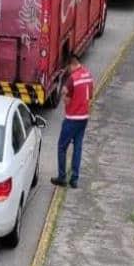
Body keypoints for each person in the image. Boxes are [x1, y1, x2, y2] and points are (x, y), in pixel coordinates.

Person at [51, 54, 93, 188]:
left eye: (68, 67)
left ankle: (62, 177)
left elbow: (67, 98)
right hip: (84, 118)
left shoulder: (72, 79)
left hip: (72, 119)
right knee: (78, 148)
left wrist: (64, 95)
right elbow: (90, 95)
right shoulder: (88, 75)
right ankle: (74, 179)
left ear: (72, 64)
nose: (68, 70)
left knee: (62, 147)